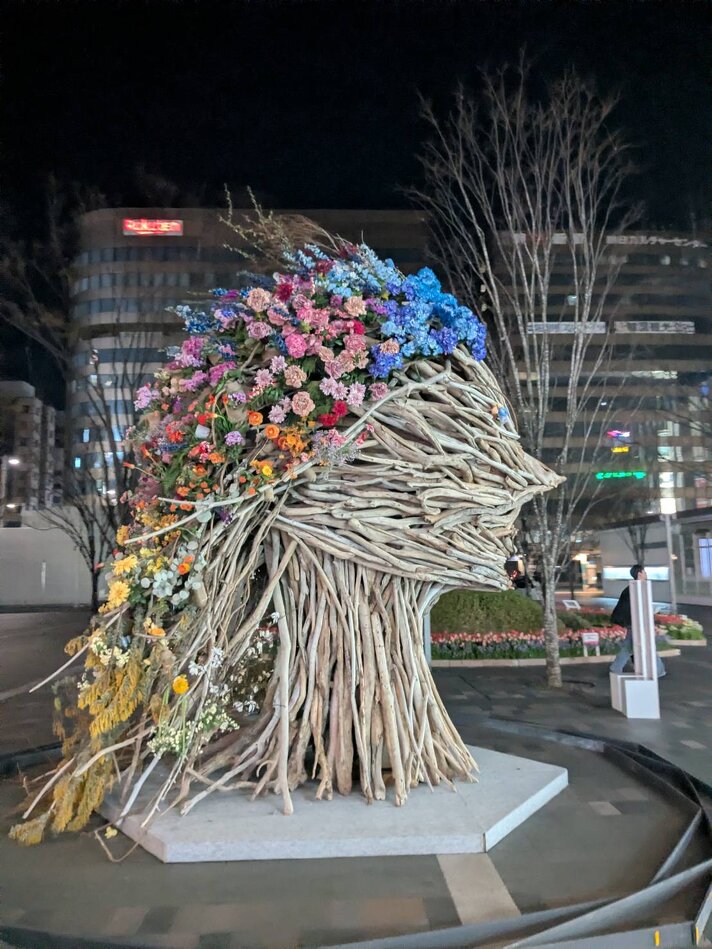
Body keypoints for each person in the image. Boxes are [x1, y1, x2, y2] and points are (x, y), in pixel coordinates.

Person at [610, 565, 666, 677]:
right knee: (648, 645)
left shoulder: (632, 588)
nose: (646, 574)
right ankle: (658, 670)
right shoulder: (636, 588)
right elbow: (637, 607)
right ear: (639, 573)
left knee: (628, 647)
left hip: (632, 622)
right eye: (644, 572)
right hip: (635, 623)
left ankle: (615, 668)